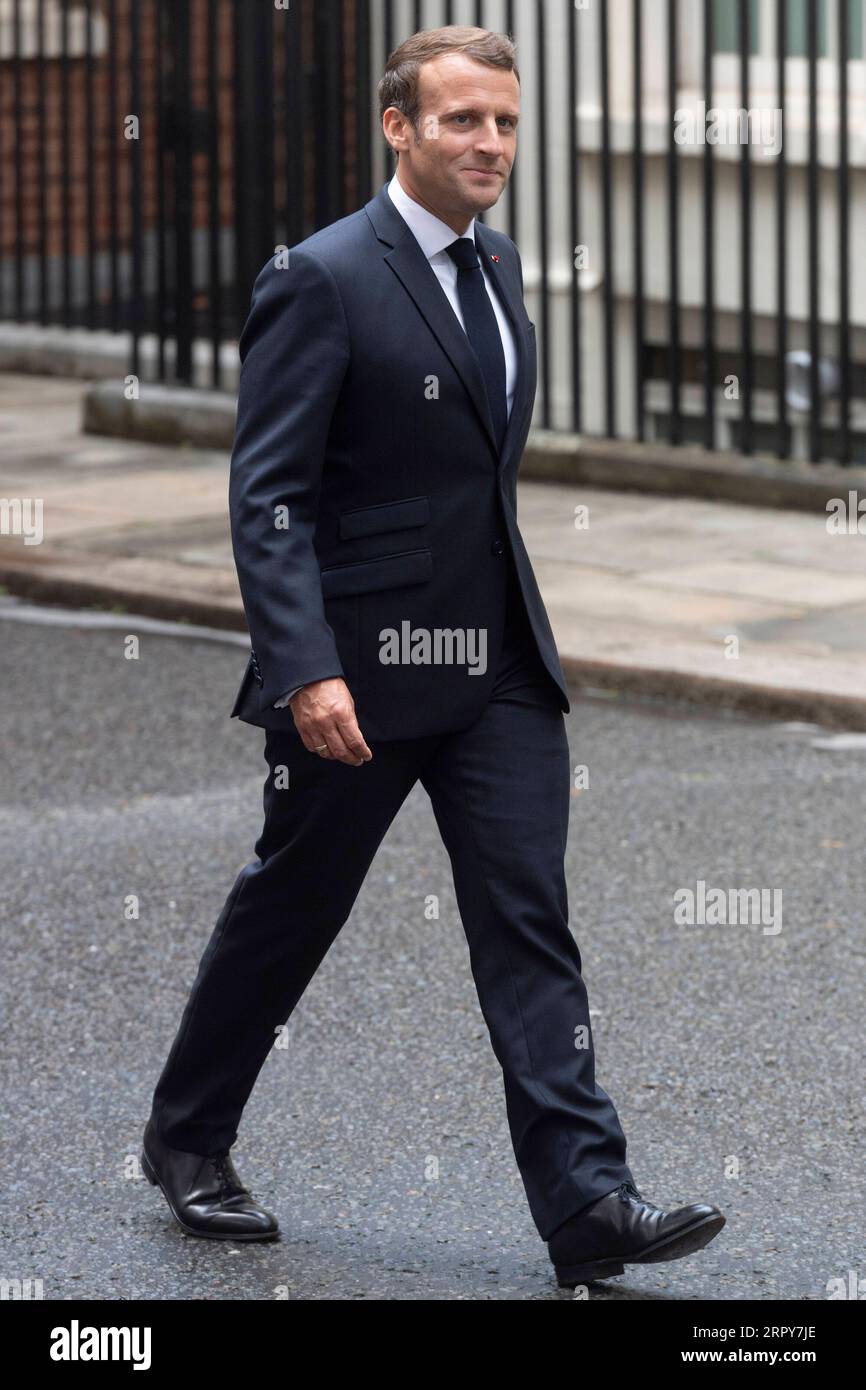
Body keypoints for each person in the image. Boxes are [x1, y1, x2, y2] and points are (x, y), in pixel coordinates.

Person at [142, 24, 724, 1288]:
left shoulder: (497, 263)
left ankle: (587, 1204)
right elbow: (269, 494)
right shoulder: (323, 276)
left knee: (528, 922)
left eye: (506, 123)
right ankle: (186, 1138)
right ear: (397, 127)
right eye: (463, 120)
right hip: (358, 673)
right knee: (290, 910)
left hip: (498, 662)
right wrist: (306, 668)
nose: (491, 145)